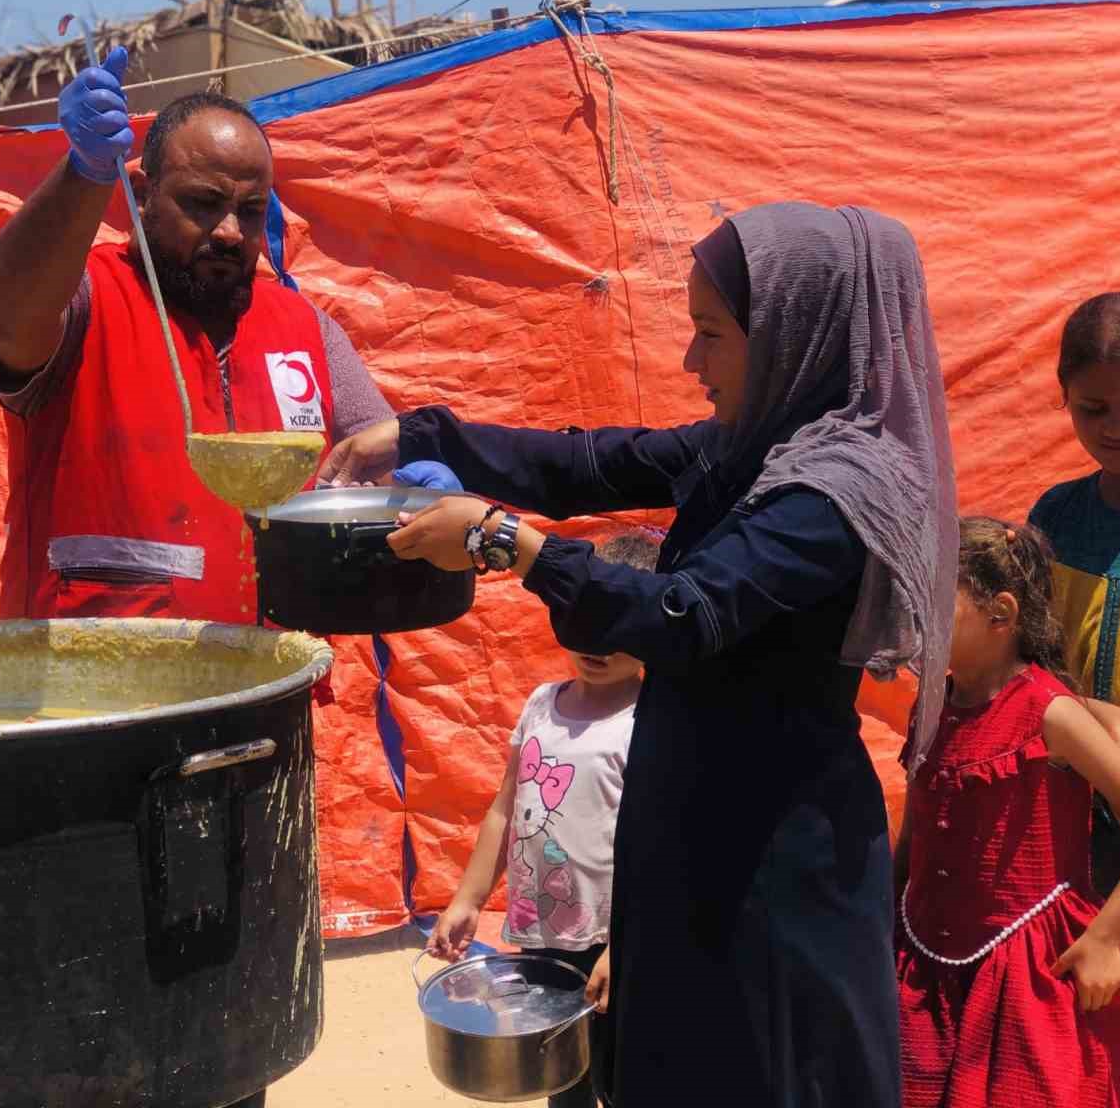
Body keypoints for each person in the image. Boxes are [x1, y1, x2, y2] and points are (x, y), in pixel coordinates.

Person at [322, 202, 961, 1106]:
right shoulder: (751, 449)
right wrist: (427, 438)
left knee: (763, 1073)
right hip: (693, 824)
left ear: (794, 334)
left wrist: (505, 543)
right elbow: (592, 464)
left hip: (776, 862)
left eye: (710, 335)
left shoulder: (834, 494)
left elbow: (682, 612)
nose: (688, 362)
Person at [0, 48, 392, 623]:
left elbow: (376, 460)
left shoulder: (305, 328)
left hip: (269, 682)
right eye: (202, 203)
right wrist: (83, 172)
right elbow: (8, 318)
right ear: (143, 193)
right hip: (93, 684)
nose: (228, 231)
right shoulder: (83, 299)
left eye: (249, 210)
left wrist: (412, 477)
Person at [895, 517, 1120, 1107]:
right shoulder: (931, 704)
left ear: (1001, 614)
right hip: (925, 971)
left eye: (935, 600)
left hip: (1028, 979)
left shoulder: (1053, 714)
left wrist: (1104, 940)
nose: (915, 617)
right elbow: (915, 837)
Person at [427, 528, 662, 1108]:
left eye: (619, 626)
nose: (598, 643)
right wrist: (468, 898)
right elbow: (505, 809)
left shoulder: (650, 726)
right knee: (562, 1074)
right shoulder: (540, 705)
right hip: (541, 934)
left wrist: (625, 947)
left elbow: (662, 851)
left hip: (613, 941)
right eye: (586, 620)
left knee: (626, 1072)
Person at [1028, 290, 1120, 1065]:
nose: (1113, 427)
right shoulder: (1058, 514)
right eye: (1092, 409)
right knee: (1103, 1030)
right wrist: (1080, 705)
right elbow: (1031, 659)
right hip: (1083, 822)